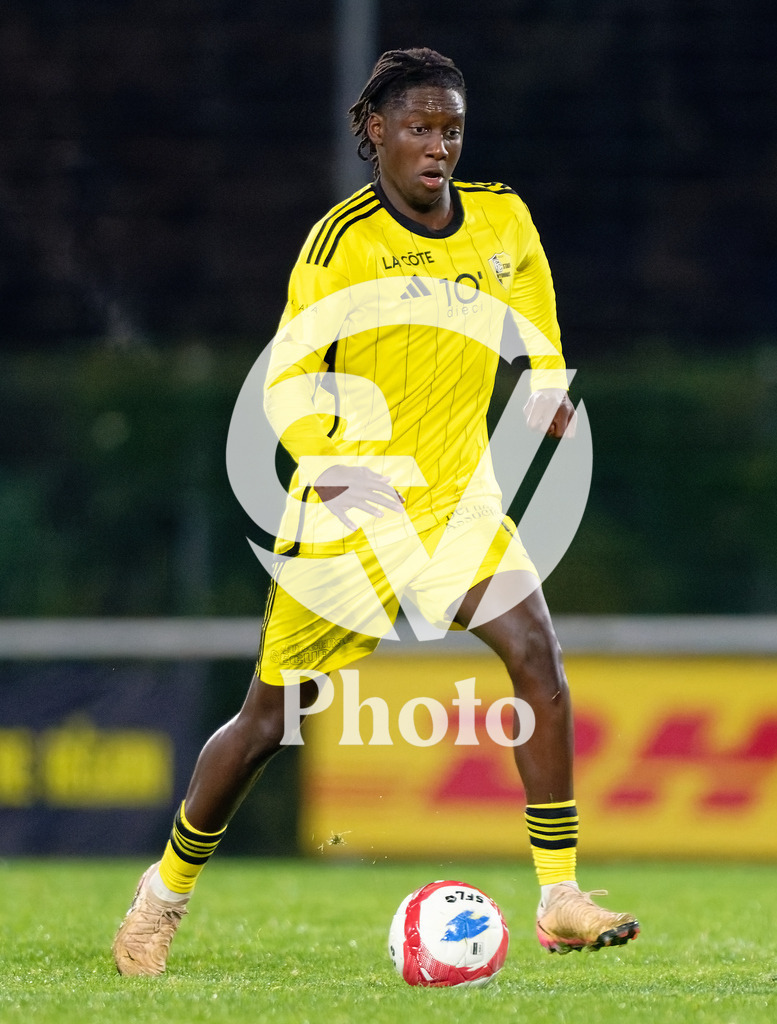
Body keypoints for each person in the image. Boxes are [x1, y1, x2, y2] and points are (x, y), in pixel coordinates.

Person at [112, 47, 638, 977]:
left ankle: (558, 894)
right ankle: (162, 897)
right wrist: (329, 467)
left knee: (538, 659)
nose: (438, 145)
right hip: (349, 514)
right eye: (419, 128)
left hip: (457, 501)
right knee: (266, 725)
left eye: (451, 130)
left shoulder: (503, 219)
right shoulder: (340, 244)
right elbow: (286, 381)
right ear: (375, 134)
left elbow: (539, 321)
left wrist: (543, 386)